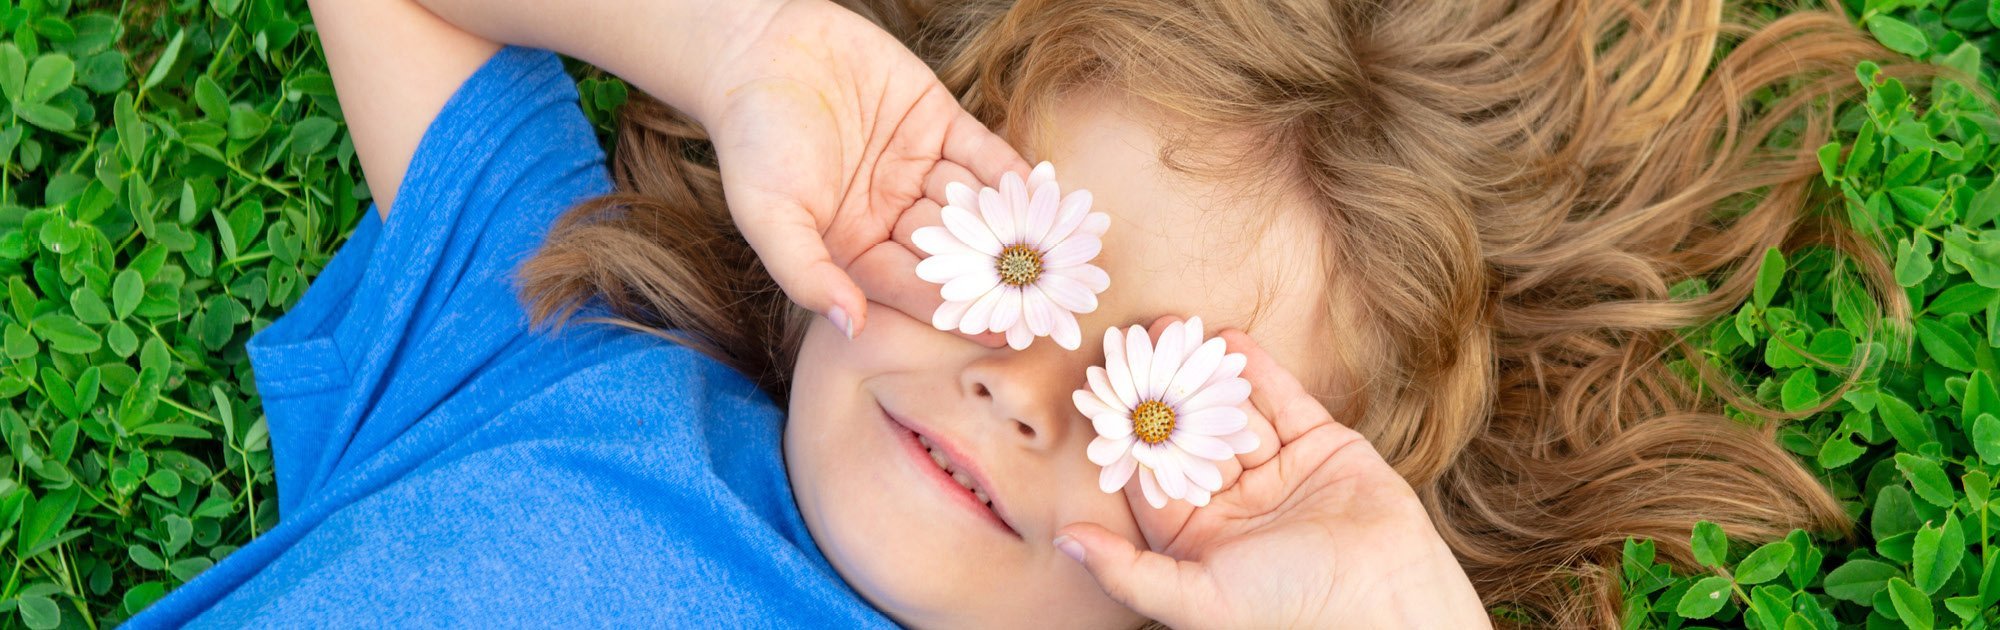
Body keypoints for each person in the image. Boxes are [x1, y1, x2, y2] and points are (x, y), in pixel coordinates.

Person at [126, 0, 1898, 627]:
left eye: (1164, 404)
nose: (1026, 387)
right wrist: (746, 48)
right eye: (1007, 252)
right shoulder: (557, 347)